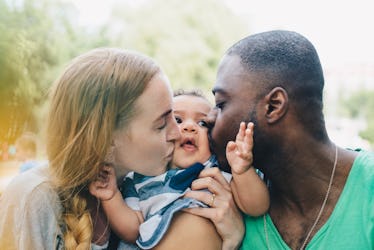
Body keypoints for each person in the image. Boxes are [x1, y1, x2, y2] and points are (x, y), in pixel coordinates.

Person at [0, 48, 244, 250]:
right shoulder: (34, 198)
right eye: (161, 125)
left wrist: (231, 241)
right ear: (106, 140)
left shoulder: (144, 189)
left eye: (173, 116)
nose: (177, 133)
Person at [207, 30, 374, 249]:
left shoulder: (368, 191)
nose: (207, 117)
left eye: (221, 104)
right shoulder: (227, 204)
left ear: (274, 106)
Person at [89, 89, 269, 249]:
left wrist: (243, 171)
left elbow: (256, 207)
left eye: (203, 123)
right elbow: (132, 230)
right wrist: (111, 196)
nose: (189, 127)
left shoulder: (218, 170)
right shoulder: (140, 178)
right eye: (177, 120)